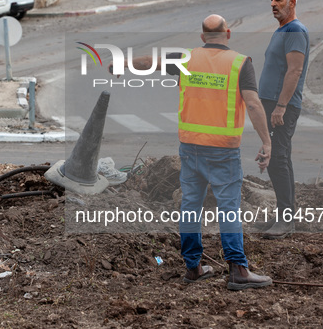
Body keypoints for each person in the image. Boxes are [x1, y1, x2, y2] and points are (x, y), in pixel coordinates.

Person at [114, 15, 273, 290]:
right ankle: (238, 270)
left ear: (202, 37)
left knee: (190, 206)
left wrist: (123, 62)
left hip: (190, 148)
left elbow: (151, 61)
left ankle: (193, 268)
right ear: (228, 34)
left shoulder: (185, 59)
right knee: (228, 209)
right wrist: (267, 142)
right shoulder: (240, 63)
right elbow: (254, 105)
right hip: (223, 151)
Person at [259, 0, 309, 239]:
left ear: (292, 3)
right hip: (272, 104)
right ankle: (283, 214)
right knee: (277, 159)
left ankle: (285, 220)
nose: (273, 4)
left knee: (278, 159)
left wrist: (280, 106)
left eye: (279, 0)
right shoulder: (282, 30)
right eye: (271, 0)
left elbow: (295, 70)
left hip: (283, 107)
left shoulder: (295, 31)